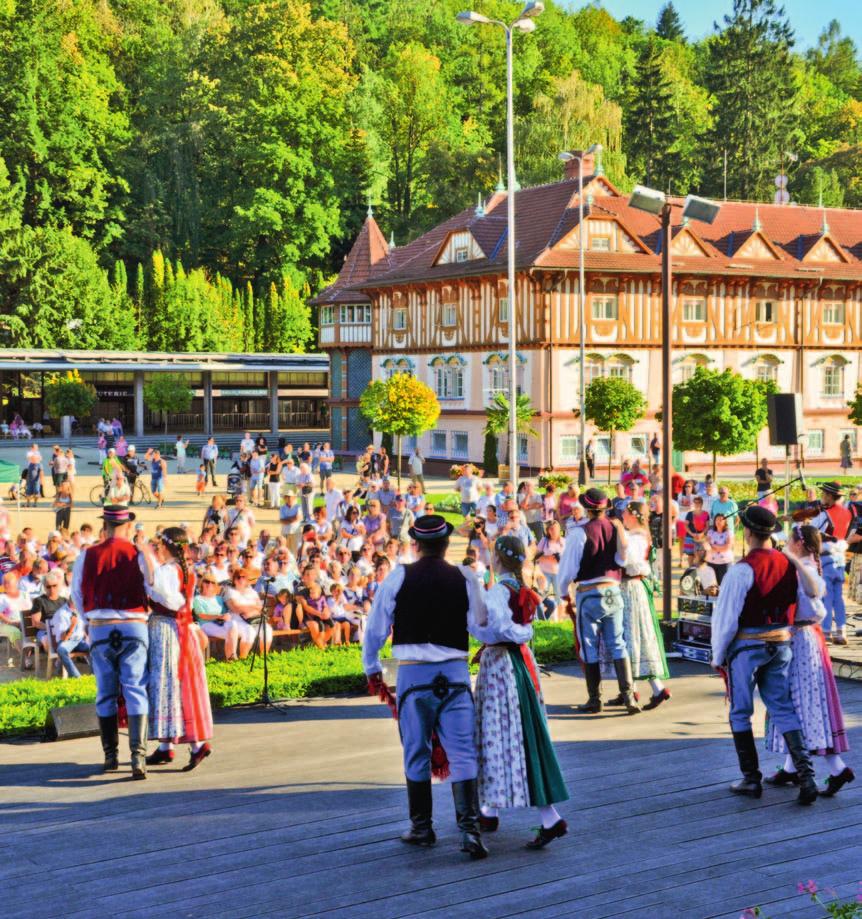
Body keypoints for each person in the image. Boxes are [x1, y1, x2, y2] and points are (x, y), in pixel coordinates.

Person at [363, 514, 489, 859]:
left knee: (415, 750)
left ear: (415, 544)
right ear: (447, 543)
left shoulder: (398, 576)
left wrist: (371, 667)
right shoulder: (465, 577)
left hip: (414, 677)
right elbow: (480, 624)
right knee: (463, 752)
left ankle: (422, 827)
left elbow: (375, 629)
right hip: (455, 676)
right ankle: (469, 831)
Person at [710, 505, 817, 805]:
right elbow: (806, 606)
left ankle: (751, 778)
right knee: (782, 706)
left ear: (747, 532)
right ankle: (806, 777)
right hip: (781, 643)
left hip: (747, 646)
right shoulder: (789, 563)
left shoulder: (742, 569)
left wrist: (718, 655)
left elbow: (726, 619)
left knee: (740, 710)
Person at [473, 535, 569, 849]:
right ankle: (493, 808)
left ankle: (497, 809)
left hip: (503, 664)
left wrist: (483, 628)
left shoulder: (500, 591)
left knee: (499, 732)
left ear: (497, 559)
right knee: (516, 734)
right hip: (517, 662)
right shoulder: (518, 588)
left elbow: (500, 627)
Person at [764, 525, 854, 797]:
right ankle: (793, 767)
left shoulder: (806, 567)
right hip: (801, 638)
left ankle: (836, 769)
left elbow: (814, 593)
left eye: (790, 540)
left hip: (803, 641)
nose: (786, 544)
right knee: (799, 702)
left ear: (799, 544)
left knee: (801, 703)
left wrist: (792, 561)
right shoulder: (805, 563)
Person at [70, 506, 150, 778]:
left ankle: (110, 755)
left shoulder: (87, 554)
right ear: (127, 526)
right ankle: (138, 757)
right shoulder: (138, 554)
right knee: (135, 688)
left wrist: (89, 620)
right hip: (134, 625)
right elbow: (150, 588)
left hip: (101, 627)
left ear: (105, 525)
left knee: (105, 692)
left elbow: (77, 593)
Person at [558, 487, 639, 715]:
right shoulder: (615, 528)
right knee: (617, 643)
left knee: (589, 645)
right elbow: (624, 559)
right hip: (613, 589)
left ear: (586, 507)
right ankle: (628, 695)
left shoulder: (579, 532)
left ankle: (595, 698)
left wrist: (563, 592)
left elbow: (568, 568)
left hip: (589, 592)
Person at [140, 527, 213, 770]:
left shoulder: (169, 571)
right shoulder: (183, 569)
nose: (157, 547)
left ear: (168, 546)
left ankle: (196, 744)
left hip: (168, 629)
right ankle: (165, 746)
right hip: (178, 628)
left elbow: (161, 592)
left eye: (160, 544)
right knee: (170, 685)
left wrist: (146, 555)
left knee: (168, 684)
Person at [599, 501, 671, 710]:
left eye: (625, 513)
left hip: (631, 587)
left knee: (632, 636)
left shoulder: (637, 537)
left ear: (633, 515)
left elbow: (626, 560)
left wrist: (619, 533)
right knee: (629, 637)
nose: (622, 516)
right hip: (628, 587)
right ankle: (631, 689)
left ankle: (654, 689)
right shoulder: (636, 535)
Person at [807, 482, 853, 644]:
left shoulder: (824, 514)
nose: (821, 497)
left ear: (829, 496)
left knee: (826, 595)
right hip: (840, 556)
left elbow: (811, 531)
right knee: (838, 597)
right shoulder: (847, 513)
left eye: (824, 494)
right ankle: (841, 631)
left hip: (826, 556)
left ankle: (826, 631)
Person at [224, 567, 270, 658]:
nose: (241, 579)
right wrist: (253, 606)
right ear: (234, 580)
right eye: (238, 577)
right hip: (237, 620)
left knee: (267, 631)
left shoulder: (252, 592)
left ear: (247, 579)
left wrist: (248, 610)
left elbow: (260, 607)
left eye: (243, 577)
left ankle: (264, 656)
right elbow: (236, 608)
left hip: (253, 618)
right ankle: (243, 658)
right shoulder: (230, 592)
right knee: (249, 632)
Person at [193, 571, 240, 660]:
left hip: (220, 623)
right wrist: (218, 616)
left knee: (233, 624)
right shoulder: (197, 599)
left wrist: (226, 616)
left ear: (215, 585)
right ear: (202, 583)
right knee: (230, 634)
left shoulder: (219, 598)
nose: (209, 584)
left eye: (212, 582)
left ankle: (231, 656)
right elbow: (201, 615)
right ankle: (231, 658)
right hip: (206, 625)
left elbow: (225, 612)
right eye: (207, 581)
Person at [705, 514, 734, 584]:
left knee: (723, 584)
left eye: (721, 519)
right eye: (717, 519)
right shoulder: (710, 532)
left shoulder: (729, 533)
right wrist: (720, 547)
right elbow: (706, 545)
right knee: (712, 586)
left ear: (725, 522)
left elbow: (728, 546)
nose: (719, 521)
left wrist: (714, 547)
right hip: (711, 562)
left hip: (725, 563)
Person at [683, 496, 710, 567]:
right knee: (691, 555)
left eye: (699, 502)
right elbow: (685, 525)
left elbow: (707, 526)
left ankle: (701, 569)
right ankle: (691, 569)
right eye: (695, 502)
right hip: (690, 537)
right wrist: (692, 534)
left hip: (702, 538)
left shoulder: (706, 514)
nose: (697, 504)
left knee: (701, 555)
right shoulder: (689, 514)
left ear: (702, 504)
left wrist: (702, 533)